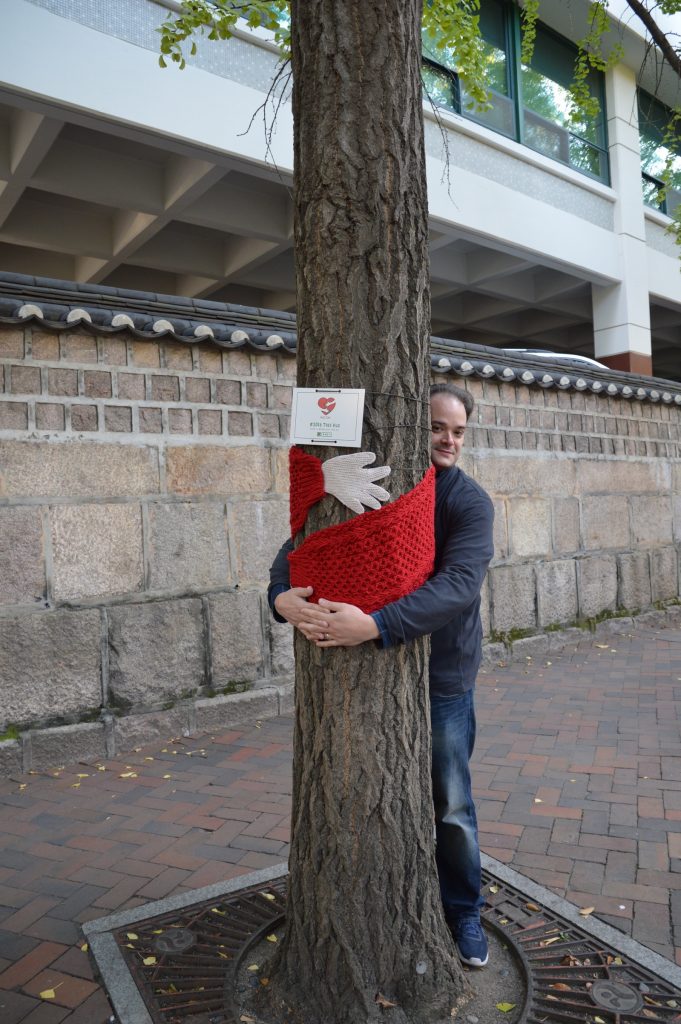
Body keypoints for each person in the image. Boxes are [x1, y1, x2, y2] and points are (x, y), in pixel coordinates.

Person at [268, 382, 495, 968]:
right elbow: (301, 547)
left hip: (442, 676)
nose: (447, 440)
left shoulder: (467, 502)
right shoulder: (384, 483)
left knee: (450, 803)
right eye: (437, 427)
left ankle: (465, 911)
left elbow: (458, 586)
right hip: (358, 675)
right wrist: (279, 599)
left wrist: (375, 625)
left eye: (458, 431)